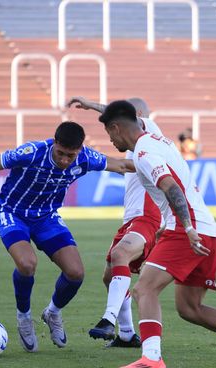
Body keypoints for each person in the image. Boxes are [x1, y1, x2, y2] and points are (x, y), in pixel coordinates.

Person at [0, 121, 135, 352]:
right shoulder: (32, 153)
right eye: (61, 153)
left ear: (80, 150)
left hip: (46, 217)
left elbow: (124, 165)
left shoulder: (87, 158)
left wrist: (161, 168)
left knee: (76, 273)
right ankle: (24, 316)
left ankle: (52, 313)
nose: (65, 160)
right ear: (54, 143)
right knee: (27, 264)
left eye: (70, 156)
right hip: (12, 212)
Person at [98, 100, 216, 368]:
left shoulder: (144, 153)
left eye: (109, 134)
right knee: (190, 309)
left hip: (187, 230)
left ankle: (151, 359)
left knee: (145, 289)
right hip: (208, 231)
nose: (110, 140)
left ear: (116, 127)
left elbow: (171, 188)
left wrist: (187, 228)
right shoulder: (160, 139)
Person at [68, 96, 163, 348]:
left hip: (147, 216)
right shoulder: (140, 149)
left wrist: (91, 105)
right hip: (132, 219)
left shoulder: (150, 130)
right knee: (109, 277)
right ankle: (127, 335)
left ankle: (108, 319)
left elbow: (122, 115)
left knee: (121, 254)